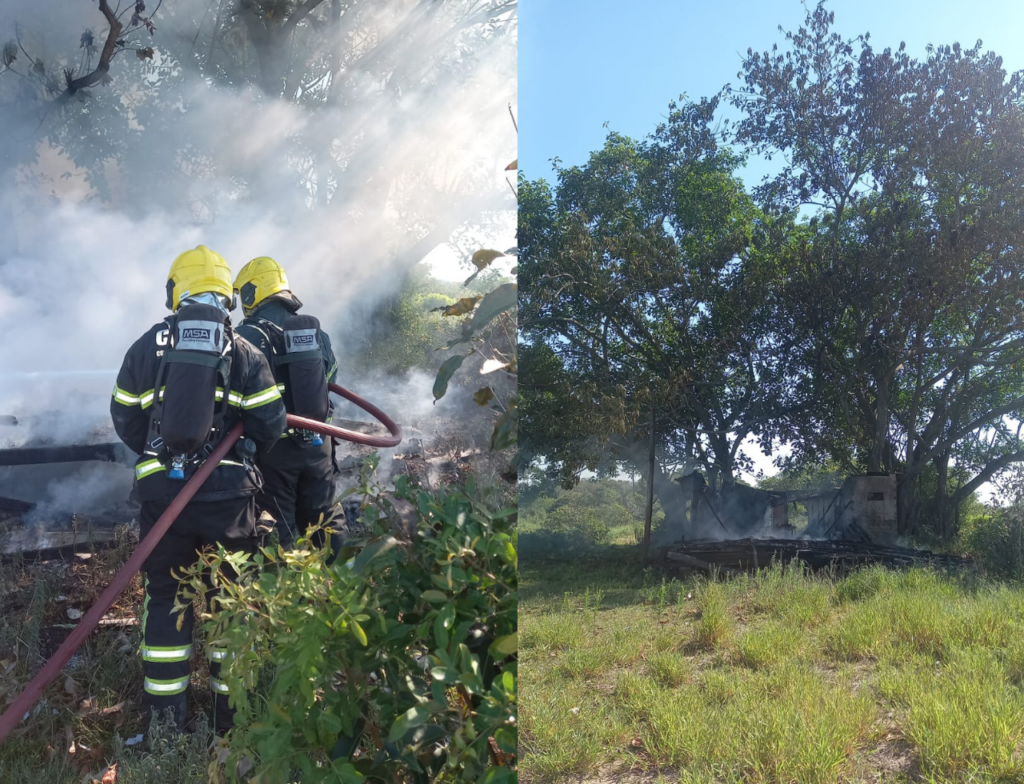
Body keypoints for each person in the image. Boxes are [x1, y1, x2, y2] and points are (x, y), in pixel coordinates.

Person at [110, 245, 286, 734]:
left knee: (167, 596)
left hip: (164, 499)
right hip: (230, 501)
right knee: (232, 597)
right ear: (226, 294)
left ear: (177, 288)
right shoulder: (243, 349)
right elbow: (271, 424)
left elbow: (125, 414)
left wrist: (158, 453)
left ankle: (166, 723)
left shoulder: (146, 346)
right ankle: (230, 721)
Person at [232, 256, 341, 551]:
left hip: (274, 450)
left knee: (277, 526)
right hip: (320, 446)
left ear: (251, 293)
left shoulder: (245, 336)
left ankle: (285, 590)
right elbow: (330, 377)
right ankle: (341, 586)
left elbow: (234, 397)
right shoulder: (317, 335)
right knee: (324, 518)